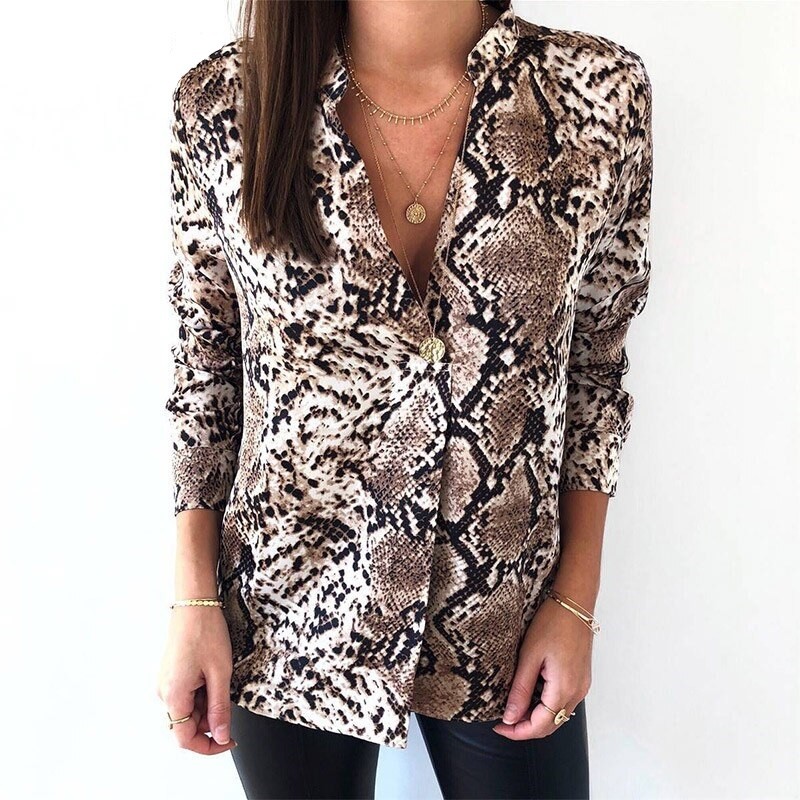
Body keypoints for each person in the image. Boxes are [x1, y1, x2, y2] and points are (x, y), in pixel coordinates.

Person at [157, 0, 654, 797]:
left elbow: (596, 364)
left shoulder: (595, 94)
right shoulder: (224, 106)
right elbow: (206, 369)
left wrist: (574, 601)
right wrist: (193, 598)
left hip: (502, 614)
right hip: (288, 613)